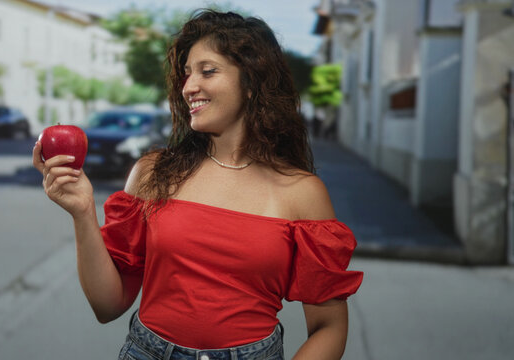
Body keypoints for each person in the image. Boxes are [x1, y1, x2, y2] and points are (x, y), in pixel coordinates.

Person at [32, 9, 363, 360]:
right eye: (187, 73)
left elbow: (330, 327)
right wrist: (83, 212)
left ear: (252, 83)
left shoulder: (303, 192)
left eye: (208, 71)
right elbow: (107, 305)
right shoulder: (152, 173)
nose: (189, 86)